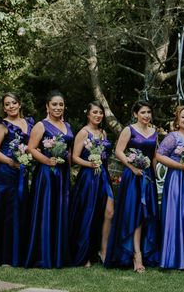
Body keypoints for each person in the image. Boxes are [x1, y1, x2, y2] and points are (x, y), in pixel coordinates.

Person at [105, 100, 160, 272]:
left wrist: (156, 175)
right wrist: (132, 167)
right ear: (135, 114)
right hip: (132, 177)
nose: (146, 115)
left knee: (146, 215)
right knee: (134, 214)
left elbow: (154, 156)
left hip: (147, 177)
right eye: (143, 112)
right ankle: (136, 255)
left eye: (148, 112)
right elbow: (119, 151)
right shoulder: (129, 130)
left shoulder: (154, 132)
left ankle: (143, 251)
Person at [25, 90, 74, 268]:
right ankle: (43, 255)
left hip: (62, 173)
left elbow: (69, 149)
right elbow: (31, 148)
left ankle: (58, 253)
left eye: (61, 104)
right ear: (47, 106)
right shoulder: (41, 125)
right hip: (46, 174)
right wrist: (46, 160)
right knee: (46, 210)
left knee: (60, 210)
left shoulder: (67, 125)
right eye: (54, 104)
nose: (58, 107)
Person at [0, 93, 33, 266]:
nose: (11, 106)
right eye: (7, 104)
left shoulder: (29, 123)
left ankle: (19, 254)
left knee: (21, 209)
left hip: (23, 171)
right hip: (6, 172)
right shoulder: (1, 126)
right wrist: (10, 162)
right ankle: (4, 256)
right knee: (5, 211)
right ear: (4, 108)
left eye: (14, 103)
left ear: (20, 104)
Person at [156, 105, 184, 270]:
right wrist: (180, 166)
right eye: (183, 117)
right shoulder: (173, 137)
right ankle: (173, 256)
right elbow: (159, 155)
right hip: (176, 179)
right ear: (177, 120)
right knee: (175, 215)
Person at [69, 101, 114, 267]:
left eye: (100, 113)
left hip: (103, 176)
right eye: (94, 112)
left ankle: (103, 250)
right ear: (88, 115)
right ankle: (85, 254)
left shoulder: (103, 133)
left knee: (109, 212)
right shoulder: (83, 132)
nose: (98, 115)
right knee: (89, 213)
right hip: (89, 177)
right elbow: (75, 157)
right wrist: (90, 164)